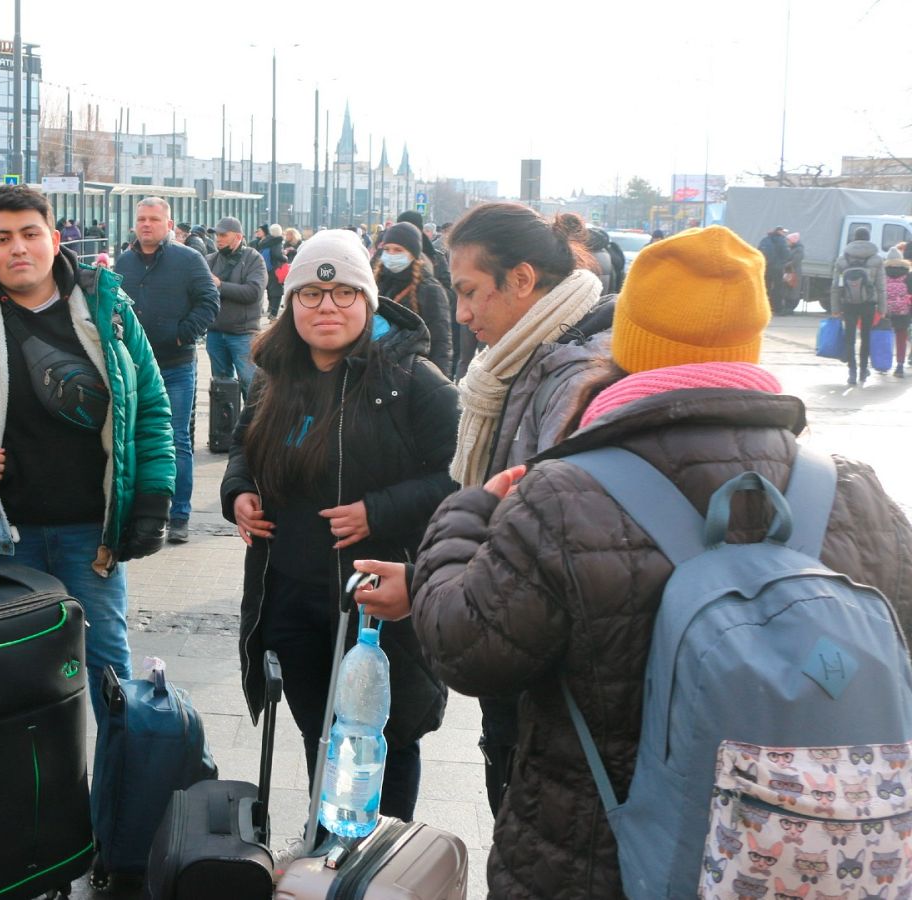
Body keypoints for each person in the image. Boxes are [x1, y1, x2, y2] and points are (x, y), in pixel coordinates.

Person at [381, 225, 912, 899]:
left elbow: (467, 651)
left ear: (631, 342)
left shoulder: (567, 492)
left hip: (596, 860)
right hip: (807, 865)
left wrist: (467, 513)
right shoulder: (851, 491)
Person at [341, 201, 619, 818]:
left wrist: (425, 586)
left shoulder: (573, 377)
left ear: (522, 280)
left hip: (557, 691)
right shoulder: (530, 358)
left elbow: (547, 557)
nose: (462, 313)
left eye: (470, 292)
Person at [0, 184, 176, 726]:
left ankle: (117, 798)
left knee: (109, 676)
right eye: (2, 238)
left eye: (30, 234)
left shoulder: (108, 308)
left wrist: (154, 497)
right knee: (16, 675)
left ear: (54, 240)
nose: (18, 248)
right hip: (7, 536)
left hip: (91, 535)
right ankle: (38, 798)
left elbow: (151, 411)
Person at [220, 229, 457, 821]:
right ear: (292, 303)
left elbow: (461, 480)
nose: (327, 307)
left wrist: (380, 509)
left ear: (369, 301)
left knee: (381, 740)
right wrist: (238, 492)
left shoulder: (414, 381)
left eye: (345, 293)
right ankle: (323, 852)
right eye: (311, 295)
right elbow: (244, 448)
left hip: (376, 607)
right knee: (318, 738)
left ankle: (382, 866)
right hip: (291, 599)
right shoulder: (272, 374)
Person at [114, 197, 221, 544]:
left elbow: (210, 302)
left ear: (169, 225)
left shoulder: (188, 259)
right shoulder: (125, 262)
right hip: (133, 367)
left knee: (175, 440)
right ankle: (139, 511)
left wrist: (181, 335)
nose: (147, 225)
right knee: (131, 439)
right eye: (141, 219)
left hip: (176, 366)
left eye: (154, 220)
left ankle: (179, 515)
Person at [374, 221, 453, 374]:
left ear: (413, 253)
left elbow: (441, 343)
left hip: (415, 374)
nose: (391, 254)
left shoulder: (430, 290)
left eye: (398, 250)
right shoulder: (377, 283)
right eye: (387, 249)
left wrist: (439, 384)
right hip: (379, 371)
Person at [205, 216, 267, 397]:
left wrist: (220, 285)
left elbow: (253, 292)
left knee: (251, 386)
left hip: (243, 334)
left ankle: (254, 425)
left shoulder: (253, 258)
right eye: (217, 235)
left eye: (223, 235)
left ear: (238, 237)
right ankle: (224, 424)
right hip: (215, 333)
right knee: (221, 386)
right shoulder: (210, 259)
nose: (218, 239)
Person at [830, 225, 886, 385]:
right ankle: (863, 372)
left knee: (850, 338)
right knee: (866, 337)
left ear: (854, 238)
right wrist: (882, 309)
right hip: (868, 304)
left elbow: (836, 286)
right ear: (869, 239)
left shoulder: (842, 259)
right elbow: (881, 286)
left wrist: (835, 309)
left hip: (848, 303)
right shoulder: (876, 259)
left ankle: (852, 373)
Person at [885, 247, 910, 377]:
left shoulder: (882, 272)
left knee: (883, 336)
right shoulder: (908, 274)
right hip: (903, 312)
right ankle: (899, 366)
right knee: (901, 338)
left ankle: (882, 364)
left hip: (885, 312)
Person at [757, 225, 789, 313]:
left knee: (766, 287)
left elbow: (758, 251)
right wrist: (783, 263)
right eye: (783, 232)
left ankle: (763, 308)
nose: (784, 233)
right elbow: (786, 254)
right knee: (778, 288)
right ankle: (777, 308)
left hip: (766, 267)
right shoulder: (782, 241)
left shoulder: (765, 240)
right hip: (777, 268)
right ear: (779, 232)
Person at [260, 223, 289, 318]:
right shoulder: (277, 241)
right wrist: (285, 257)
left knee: (270, 290)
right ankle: (273, 314)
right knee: (278, 291)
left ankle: (271, 310)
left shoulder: (265, 241)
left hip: (266, 269)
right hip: (275, 268)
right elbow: (277, 255)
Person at [780, 230, 805, 314]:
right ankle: (787, 307)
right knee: (787, 289)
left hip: (794, 272)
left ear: (793, 241)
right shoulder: (793, 249)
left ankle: (790, 308)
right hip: (789, 271)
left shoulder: (799, 250)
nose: (787, 242)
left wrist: (785, 264)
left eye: (788, 240)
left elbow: (795, 261)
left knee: (793, 289)